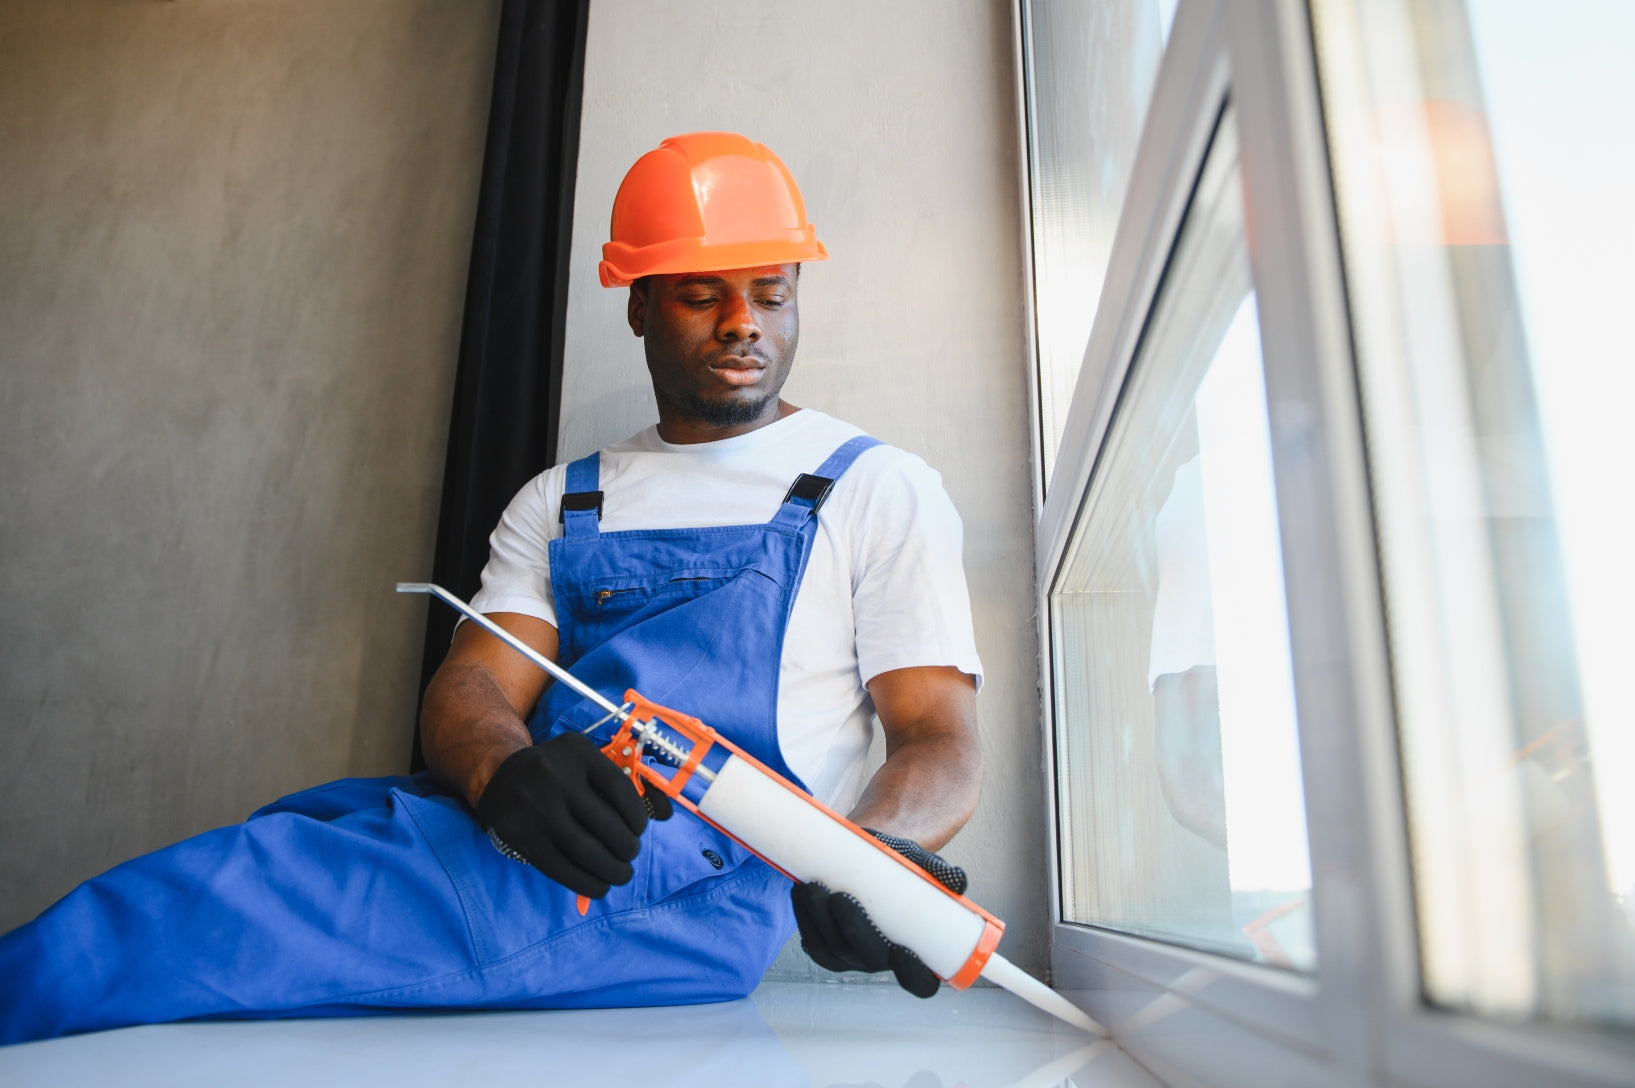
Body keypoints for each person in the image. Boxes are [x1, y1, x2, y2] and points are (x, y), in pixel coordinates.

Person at [0, 131, 984, 1044]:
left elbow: (939, 739)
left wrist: (869, 860)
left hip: (655, 881)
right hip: (527, 836)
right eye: (700, 294)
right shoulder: (568, 497)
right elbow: (474, 684)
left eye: (771, 292)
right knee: (287, 833)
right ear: (638, 301)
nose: (743, 323)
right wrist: (503, 774)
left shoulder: (871, 486)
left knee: (180, 914)